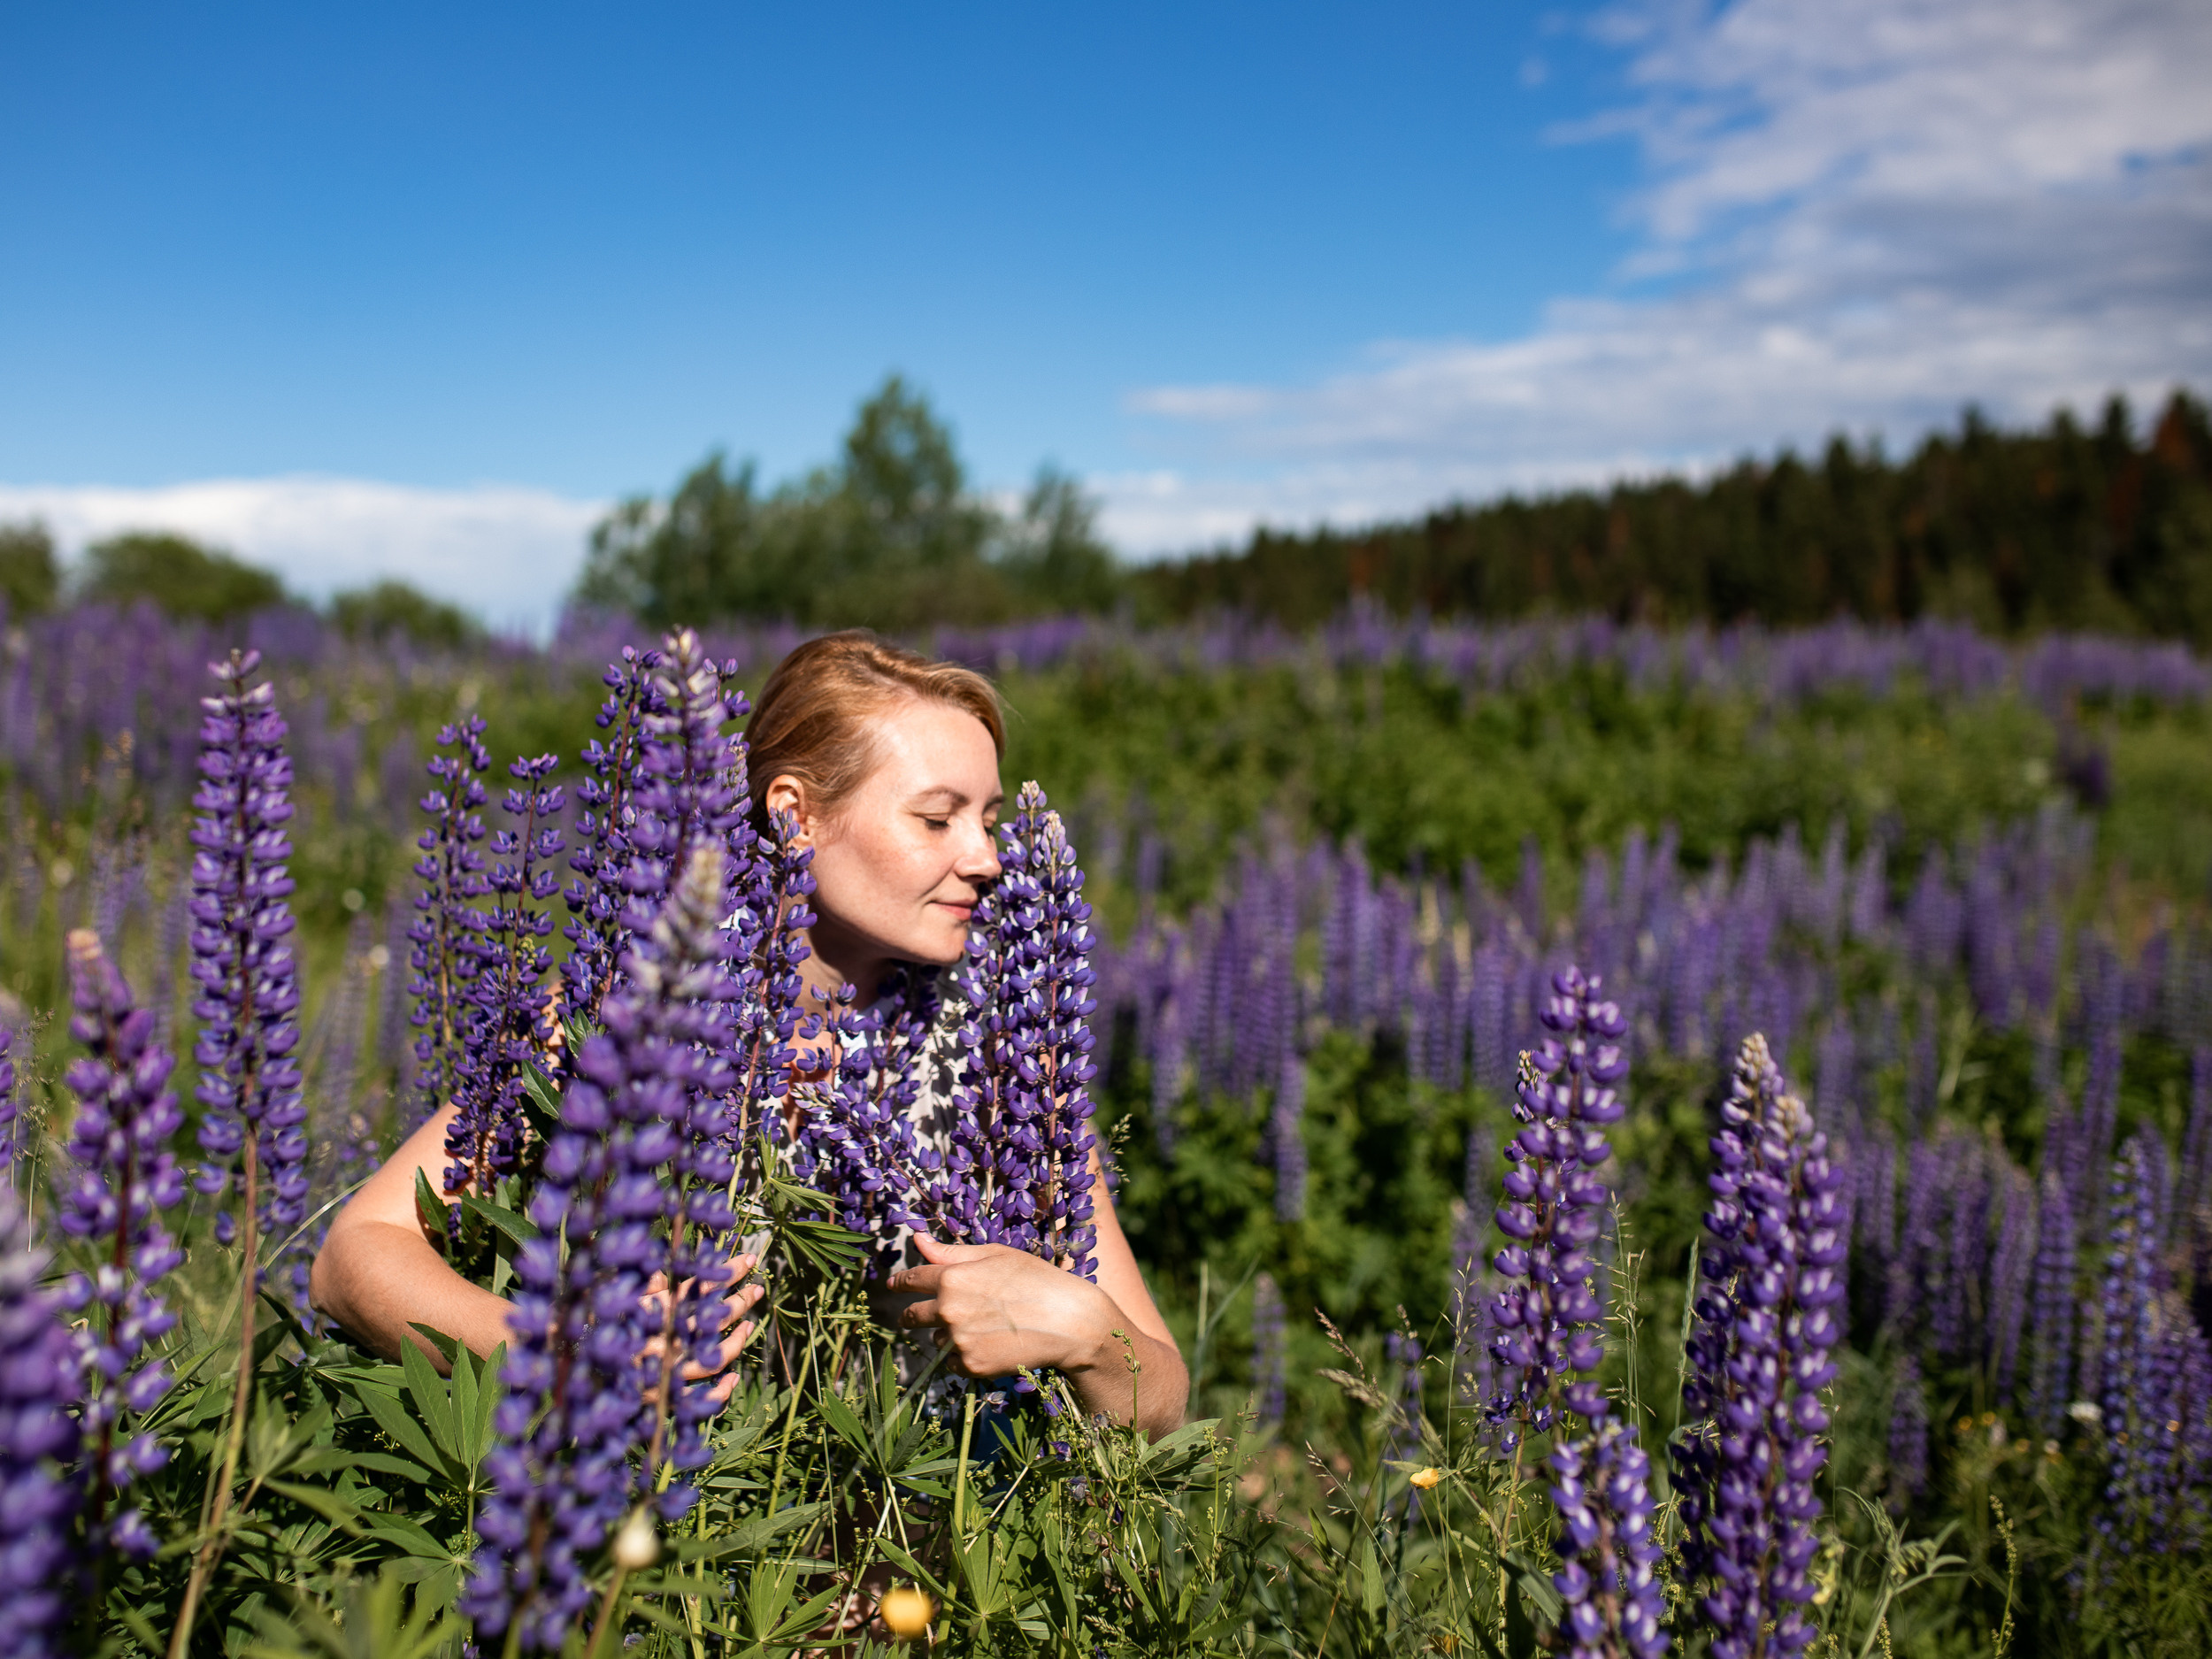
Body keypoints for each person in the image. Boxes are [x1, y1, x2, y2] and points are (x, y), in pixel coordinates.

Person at [310, 630, 1188, 1437]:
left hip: (932, 1567)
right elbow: (353, 1260)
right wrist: (565, 1360)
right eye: (936, 818)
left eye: (988, 819)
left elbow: (1163, 1398)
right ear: (794, 815)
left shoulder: (1001, 1060)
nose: (987, 858)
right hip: (658, 1567)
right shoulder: (629, 1010)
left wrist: (1083, 1331)